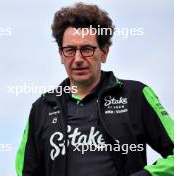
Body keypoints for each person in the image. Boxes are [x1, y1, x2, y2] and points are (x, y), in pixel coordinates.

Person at [15, 2, 174, 176]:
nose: (78, 59)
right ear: (61, 54)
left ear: (104, 52)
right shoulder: (42, 108)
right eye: (69, 50)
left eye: (87, 49)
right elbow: (26, 171)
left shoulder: (135, 96)